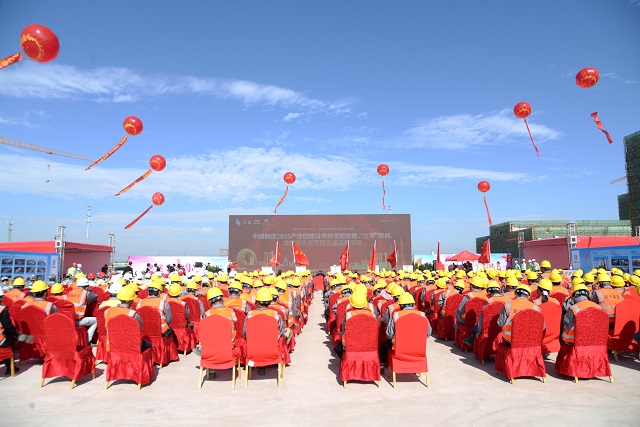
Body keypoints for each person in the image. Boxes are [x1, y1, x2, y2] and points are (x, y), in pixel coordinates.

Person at [243, 287, 285, 376]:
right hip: (272, 350)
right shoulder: (276, 315)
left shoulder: (250, 315)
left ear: (257, 302)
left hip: (253, 351)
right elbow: (281, 333)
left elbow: (245, 334)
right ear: (269, 302)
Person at [65, 277, 98, 342]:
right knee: (96, 321)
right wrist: (89, 290)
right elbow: (95, 297)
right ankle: (87, 340)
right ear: (87, 287)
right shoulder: (86, 293)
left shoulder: (70, 292)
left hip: (69, 319)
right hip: (78, 320)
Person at [0, 296, 18, 375]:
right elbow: (7, 325)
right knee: (11, 337)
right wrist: (14, 333)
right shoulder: (2, 309)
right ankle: (10, 367)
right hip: (1, 341)